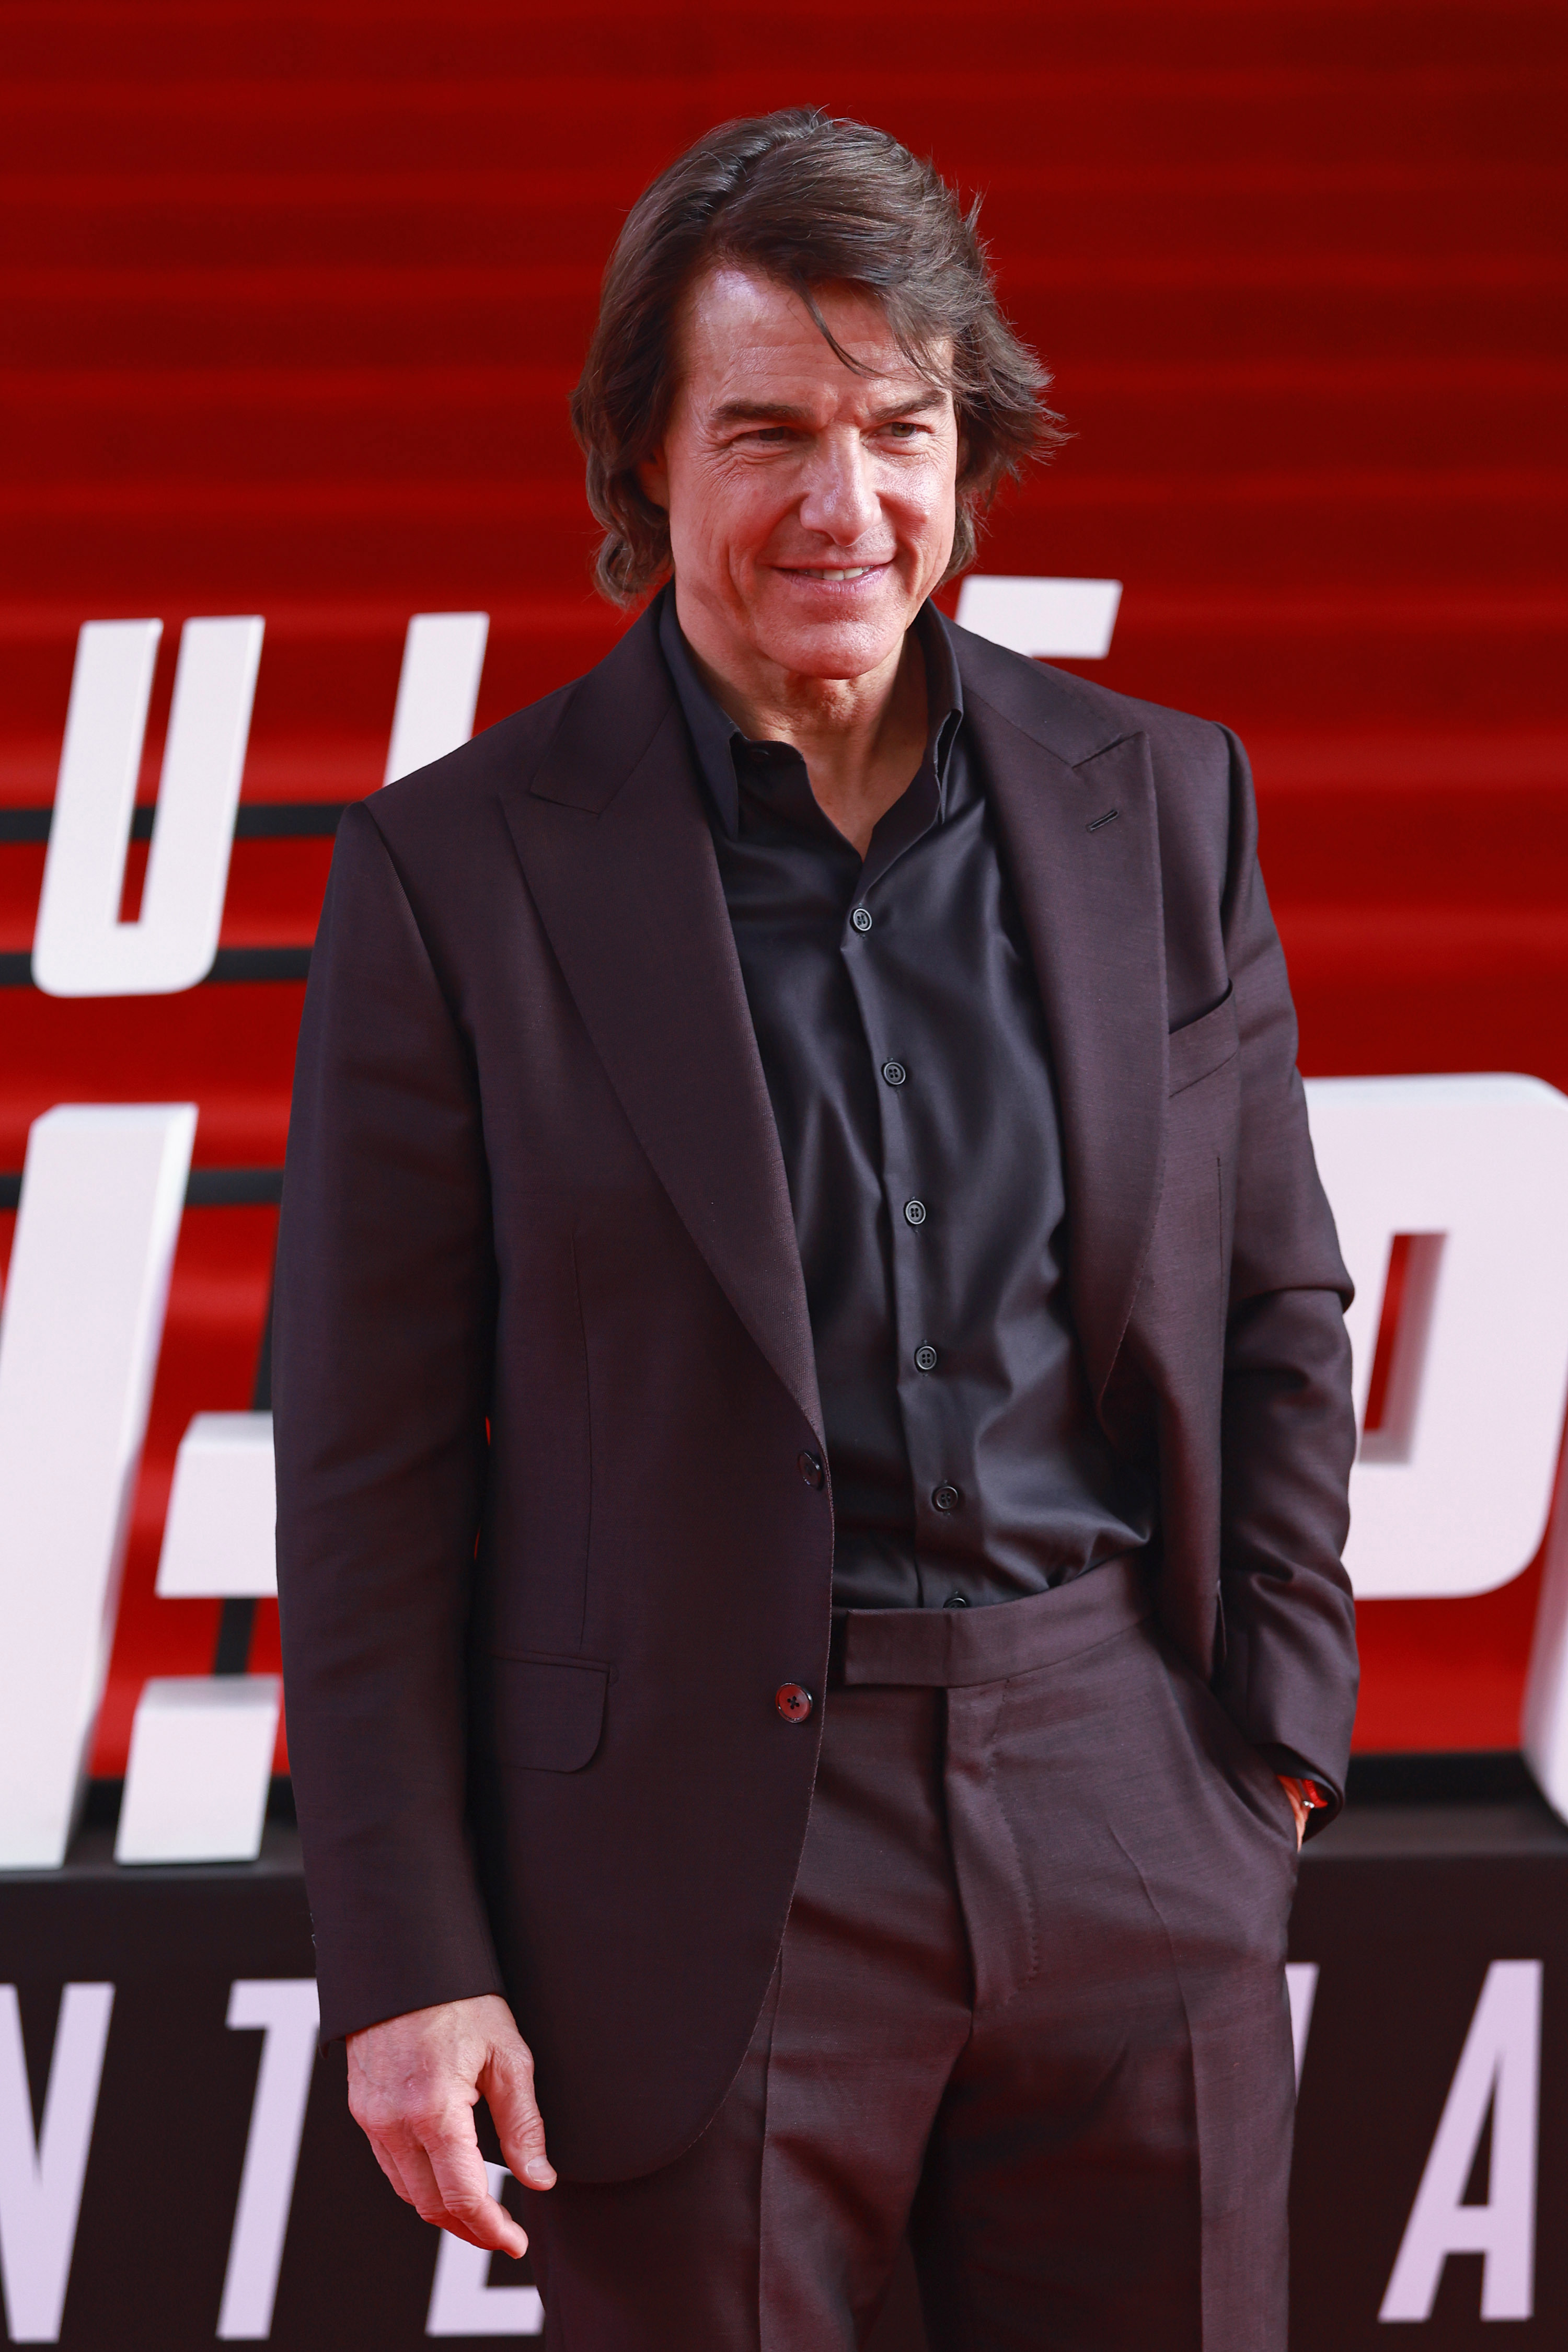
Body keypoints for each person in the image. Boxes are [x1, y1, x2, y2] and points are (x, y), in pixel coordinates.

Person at [274, 107, 1357, 2352]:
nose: (841, 504)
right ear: (641, 462)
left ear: (972, 444)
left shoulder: (1161, 797)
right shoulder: (456, 877)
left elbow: (1274, 1299)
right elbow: (366, 1468)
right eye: (764, 431)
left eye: (899, 427)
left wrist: (1272, 1751)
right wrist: (410, 1962)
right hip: (690, 1871)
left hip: (1127, 1802)